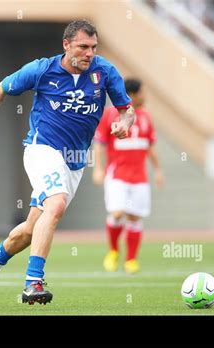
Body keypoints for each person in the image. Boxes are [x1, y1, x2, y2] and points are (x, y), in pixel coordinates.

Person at [0, 20, 134, 305]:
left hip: (75, 161)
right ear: (66, 45)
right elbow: (0, 90)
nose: (89, 53)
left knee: (32, 230)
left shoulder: (104, 71)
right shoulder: (42, 69)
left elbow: (126, 110)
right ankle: (33, 282)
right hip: (42, 149)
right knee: (55, 204)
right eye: (82, 47)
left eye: (93, 47)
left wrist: (124, 123)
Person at [92, 78, 164, 274]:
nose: (145, 96)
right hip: (117, 175)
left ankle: (131, 260)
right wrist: (98, 168)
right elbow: (100, 143)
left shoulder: (146, 117)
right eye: (143, 92)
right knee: (117, 213)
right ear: (132, 94)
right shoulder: (110, 115)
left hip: (139, 177)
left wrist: (157, 170)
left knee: (135, 217)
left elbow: (150, 147)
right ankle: (114, 251)